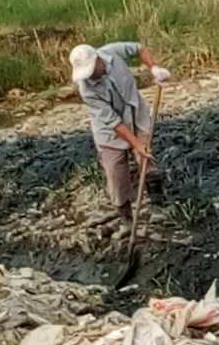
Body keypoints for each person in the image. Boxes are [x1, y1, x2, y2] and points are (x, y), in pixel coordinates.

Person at [69, 42, 170, 223]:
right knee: (115, 171)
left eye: (92, 70)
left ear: (97, 59)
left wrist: (154, 68)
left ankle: (158, 206)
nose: (91, 75)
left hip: (136, 114)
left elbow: (139, 48)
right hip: (109, 131)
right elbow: (114, 122)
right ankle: (126, 219)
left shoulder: (111, 53)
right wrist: (136, 144)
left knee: (146, 158)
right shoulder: (86, 90)